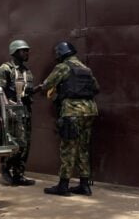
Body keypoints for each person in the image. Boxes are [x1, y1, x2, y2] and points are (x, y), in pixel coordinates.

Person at [34, 41, 100, 197]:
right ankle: (84, 185)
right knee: (83, 148)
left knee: (68, 148)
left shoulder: (63, 67)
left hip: (72, 112)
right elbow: (96, 88)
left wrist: (36, 89)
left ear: (60, 54)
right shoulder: (86, 69)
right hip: (90, 111)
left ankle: (63, 185)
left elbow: (47, 84)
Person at [0, 39, 35, 186]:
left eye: (27, 50)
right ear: (15, 52)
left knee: (26, 144)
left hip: (25, 109)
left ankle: (19, 174)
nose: (27, 53)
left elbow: (26, 91)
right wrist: (7, 108)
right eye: (23, 50)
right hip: (12, 110)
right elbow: (0, 91)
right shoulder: (5, 69)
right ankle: (5, 166)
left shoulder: (26, 71)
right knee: (17, 142)